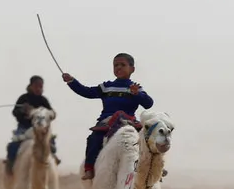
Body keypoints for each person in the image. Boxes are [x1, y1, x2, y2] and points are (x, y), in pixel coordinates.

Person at [61, 52, 161, 181]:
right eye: (115, 65)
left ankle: (155, 168)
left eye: (122, 65)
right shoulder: (106, 87)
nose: (118, 67)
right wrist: (71, 81)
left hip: (128, 122)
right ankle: (89, 169)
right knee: (94, 139)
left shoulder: (135, 88)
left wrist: (137, 94)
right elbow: (86, 92)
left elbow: (149, 104)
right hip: (107, 122)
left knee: (147, 139)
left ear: (132, 69)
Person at [5, 76, 60, 175]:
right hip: (24, 129)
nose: (39, 89)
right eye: (36, 86)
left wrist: (49, 114)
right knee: (13, 146)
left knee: (51, 143)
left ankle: (53, 159)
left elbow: (52, 113)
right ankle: (10, 164)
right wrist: (23, 110)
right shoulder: (23, 99)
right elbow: (15, 112)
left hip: (40, 129)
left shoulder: (43, 100)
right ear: (31, 86)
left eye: (41, 86)